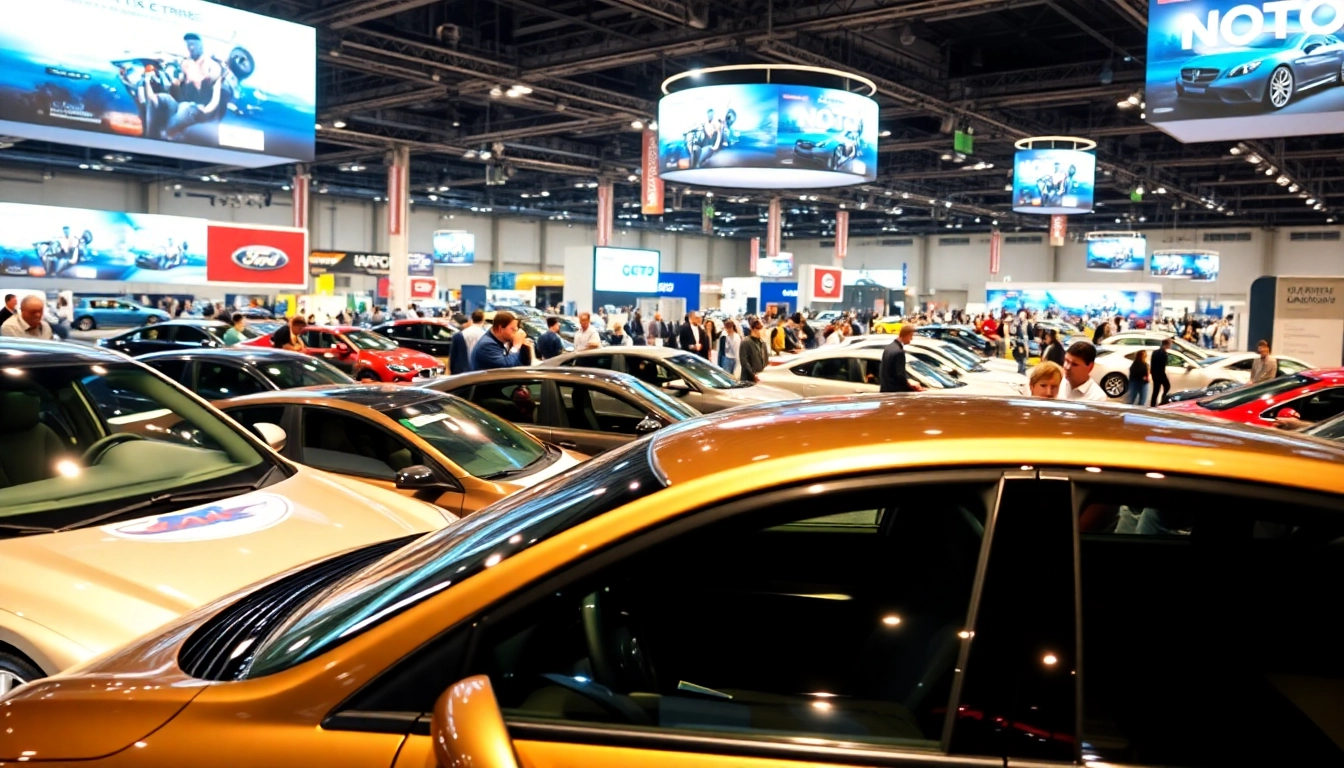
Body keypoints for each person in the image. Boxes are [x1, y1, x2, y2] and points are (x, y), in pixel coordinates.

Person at [879, 325, 924, 394]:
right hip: (895, 392)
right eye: (911, 336)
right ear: (907, 335)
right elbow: (900, 375)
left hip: (885, 389)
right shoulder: (899, 352)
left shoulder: (888, 348)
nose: (911, 339)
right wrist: (910, 384)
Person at [1150, 338, 1172, 407]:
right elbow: (1163, 366)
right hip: (1160, 373)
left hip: (1154, 374)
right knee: (1167, 386)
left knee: (1156, 390)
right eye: (1169, 344)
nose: (1170, 346)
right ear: (1166, 345)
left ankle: (1153, 404)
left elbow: (1152, 364)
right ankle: (1163, 401)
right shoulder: (1164, 354)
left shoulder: (1155, 352)